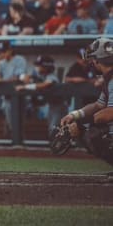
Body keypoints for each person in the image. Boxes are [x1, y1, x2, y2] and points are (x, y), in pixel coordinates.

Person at [58, 37, 113, 182]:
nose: (91, 62)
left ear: (98, 59)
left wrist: (82, 124)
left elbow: (108, 114)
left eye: (93, 58)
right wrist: (75, 115)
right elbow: (99, 105)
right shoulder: (109, 78)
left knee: (92, 135)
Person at [15, 55, 65, 136]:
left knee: (55, 130)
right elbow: (26, 77)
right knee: (51, 130)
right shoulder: (41, 75)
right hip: (51, 105)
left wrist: (25, 86)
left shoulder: (52, 76)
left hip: (59, 106)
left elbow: (45, 84)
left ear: (46, 67)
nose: (37, 67)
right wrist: (23, 77)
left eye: (39, 65)